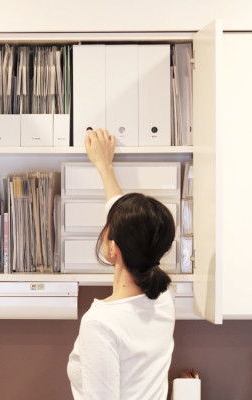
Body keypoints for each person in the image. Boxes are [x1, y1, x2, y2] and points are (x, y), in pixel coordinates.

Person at [67, 128, 176, 400]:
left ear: (112, 248)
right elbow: (134, 229)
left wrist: (104, 166)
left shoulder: (101, 324)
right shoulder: (163, 299)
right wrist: (104, 167)